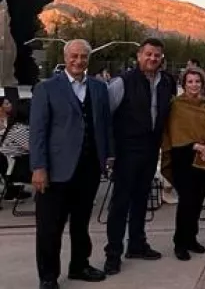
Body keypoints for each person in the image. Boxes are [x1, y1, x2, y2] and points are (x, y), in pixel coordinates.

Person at [30, 39, 114, 288]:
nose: (78, 61)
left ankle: (79, 266)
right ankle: (48, 277)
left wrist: (108, 155)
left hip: (88, 168)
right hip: (55, 170)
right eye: (74, 56)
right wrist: (39, 167)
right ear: (65, 58)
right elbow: (38, 131)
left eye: (83, 56)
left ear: (89, 59)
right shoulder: (46, 88)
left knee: (81, 223)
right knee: (50, 227)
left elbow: (105, 125)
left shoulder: (99, 88)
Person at [104, 37, 177, 275]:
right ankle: (113, 253)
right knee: (120, 203)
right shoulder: (122, 82)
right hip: (126, 150)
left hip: (151, 149)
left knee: (141, 199)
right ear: (139, 56)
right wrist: (110, 152)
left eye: (157, 55)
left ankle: (136, 244)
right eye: (149, 54)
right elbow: (105, 116)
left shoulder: (167, 82)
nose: (153, 58)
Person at [161, 67, 205, 261]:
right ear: (184, 84)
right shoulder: (177, 105)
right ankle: (180, 243)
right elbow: (175, 133)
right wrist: (197, 146)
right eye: (190, 82)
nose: (194, 85)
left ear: (203, 83)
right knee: (186, 202)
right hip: (185, 159)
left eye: (197, 81)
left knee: (198, 202)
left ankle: (191, 239)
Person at [1, 97, 32, 200]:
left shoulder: (17, 126)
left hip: (16, 166)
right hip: (16, 170)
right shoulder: (19, 129)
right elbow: (32, 148)